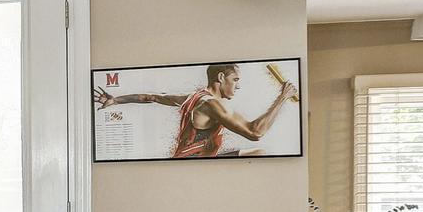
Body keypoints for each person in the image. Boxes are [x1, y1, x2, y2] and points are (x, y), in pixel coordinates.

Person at [95, 62, 297, 158]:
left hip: (203, 159)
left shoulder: (194, 97)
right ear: (220, 78)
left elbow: (152, 97)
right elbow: (255, 132)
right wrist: (282, 97)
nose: (238, 85)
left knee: (259, 154)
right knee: (259, 151)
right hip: (192, 162)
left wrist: (116, 100)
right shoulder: (211, 105)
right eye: (235, 80)